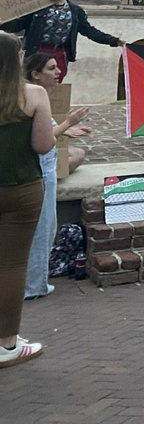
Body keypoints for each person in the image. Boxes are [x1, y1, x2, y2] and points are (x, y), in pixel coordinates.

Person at [0, 32, 55, 367]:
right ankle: (6, 342)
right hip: (22, 187)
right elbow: (43, 146)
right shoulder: (33, 94)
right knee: (11, 265)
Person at [23, 53, 89, 300]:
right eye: (51, 68)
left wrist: (68, 129)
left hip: (35, 169)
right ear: (36, 74)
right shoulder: (34, 95)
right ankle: (34, 285)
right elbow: (43, 140)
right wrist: (67, 123)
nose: (58, 71)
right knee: (43, 229)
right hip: (40, 170)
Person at [2, 0, 122, 81]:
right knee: (30, 82)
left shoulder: (75, 10)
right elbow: (17, 25)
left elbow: (89, 31)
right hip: (36, 52)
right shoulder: (36, 8)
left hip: (60, 53)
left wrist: (114, 41)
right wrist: (2, 23)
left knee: (56, 85)